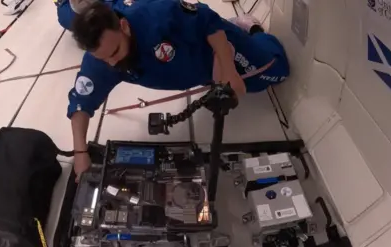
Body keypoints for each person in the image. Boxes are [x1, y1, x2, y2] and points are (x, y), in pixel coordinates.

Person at [66, 0, 290, 178]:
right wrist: (80, 153)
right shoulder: (101, 57)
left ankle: (251, 29)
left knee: (275, 71)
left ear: (124, 27)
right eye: (103, 59)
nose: (112, 64)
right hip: (195, 69)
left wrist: (229, 70)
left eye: (115, 52)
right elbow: (81, 102)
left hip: (215, 45)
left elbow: (207, 19)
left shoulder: (157, 14)